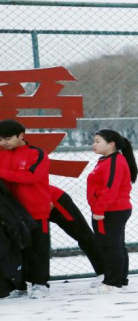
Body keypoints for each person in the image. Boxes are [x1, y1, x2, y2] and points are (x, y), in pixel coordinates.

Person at [0, 119, 51, 299]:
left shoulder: (37, 153)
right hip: (11, 212)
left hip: (36, 209)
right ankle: (19, 285)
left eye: (7, 139)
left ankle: (40, 284)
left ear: (21, 135)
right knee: (15, 249)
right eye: (0, 139)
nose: (3, 143)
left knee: (38, 247)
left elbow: (31, 177)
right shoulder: (2, 154)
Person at [87, 129, 137, 292]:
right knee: (114, 245)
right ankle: (117, 279)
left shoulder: (114, 162)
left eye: (98, 141)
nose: (94, 144)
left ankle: (113, 282)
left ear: (111, 144)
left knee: (111, 246)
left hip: (112, 211)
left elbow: (110, 189)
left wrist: (100, 210)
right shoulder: (105, 160)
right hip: (108, 210)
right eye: (94, 141)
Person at [49, 185, 106, 283]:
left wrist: (45, 198)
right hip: (29, 206)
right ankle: (31, 278)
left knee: (83, 235)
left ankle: (105, 272)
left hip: (53, 200)